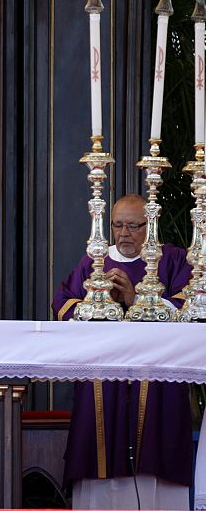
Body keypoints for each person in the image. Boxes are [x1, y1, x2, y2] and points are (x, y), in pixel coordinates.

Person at [52, 194, 192, 510]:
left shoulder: (172, 260)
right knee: (101, 461)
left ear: (150, 225)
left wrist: (135, 299)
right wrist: (96, 305)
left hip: (157, 384)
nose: (123, 234)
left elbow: (187, 311)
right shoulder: (94, 261)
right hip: (102, 379)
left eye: (133, 226)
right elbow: (63, 303)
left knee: (154, 461)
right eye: (117, 225)